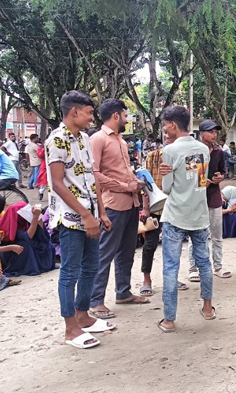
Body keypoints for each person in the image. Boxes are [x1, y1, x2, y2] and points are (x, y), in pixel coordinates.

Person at [47, 91, 114, 349]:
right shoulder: (57, 140)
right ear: (74, 112)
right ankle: (70, 329)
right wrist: (86, 215)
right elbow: (57, 183)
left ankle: (83, 316)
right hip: (71, 218)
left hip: (91, 215)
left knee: (91, 267)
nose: (91, 117)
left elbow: (91, 177)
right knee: (70, 271)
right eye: (88, 112)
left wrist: (101, 212)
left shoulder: (84, 138)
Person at [157, 105, 215, 333]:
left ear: (172, 124)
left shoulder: (169, 151)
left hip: (176, 215)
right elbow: (202, 180)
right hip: (199, 214)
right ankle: (208, 308)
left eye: (164, 125)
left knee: (171, 267)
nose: (164, 129)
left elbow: (167, 188)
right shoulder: (203, 149)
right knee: (204, 262)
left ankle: (169, 319)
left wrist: (165, 176)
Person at [89, 99, 147, 319]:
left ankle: (123, 292)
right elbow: (94, 174)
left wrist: (136, 181)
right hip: (112, 205)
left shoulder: (121, 141)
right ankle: (96, 301)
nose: (127, 119)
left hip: (131, 203)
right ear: (115, 115)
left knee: (126, 252)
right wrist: (125, 186)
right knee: (105, 253)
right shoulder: (98, 139)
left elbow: (121, 171)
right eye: (125, 115)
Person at [139, 137, 188, 298]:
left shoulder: (185, 156)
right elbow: (144, 183)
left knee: (173, 247)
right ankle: (147, 279)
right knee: (150, 245)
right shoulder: (152, 156)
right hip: (156, 207)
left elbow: (190, 181)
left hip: (175, 207)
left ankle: (172, 279)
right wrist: (145, 207)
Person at [188, 120, 228, 281]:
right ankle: (193, 267)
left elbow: (222, 171)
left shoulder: (219, 151)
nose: (214, 135)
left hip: (214, 197)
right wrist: (203, 180)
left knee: (217, 234)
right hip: (197, 197)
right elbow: (190, 173)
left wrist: (220, 177)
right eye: (211, 131)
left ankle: (218, 266)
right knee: (196, 234)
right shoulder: (193, 150)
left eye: (215, 132)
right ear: (202, 133)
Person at [0, 201, 55, 277]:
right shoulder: (7, 225)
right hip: (11, 253)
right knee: (25, 245)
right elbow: (28, 237)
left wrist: (39, 218)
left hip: (24, 245)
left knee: (46, 244)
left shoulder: (25, 222)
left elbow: (43, 236)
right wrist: (35, 218)